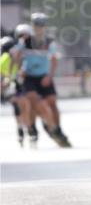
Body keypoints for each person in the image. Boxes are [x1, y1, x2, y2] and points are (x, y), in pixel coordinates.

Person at [13, 12, 71, 148]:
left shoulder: (49, 42)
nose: (39, 28)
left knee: (52, 102)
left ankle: (57, 129)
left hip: (44, 76)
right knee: (35, 102)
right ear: (32, 26)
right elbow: (17, 56)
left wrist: (49, 76)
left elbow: (54, 60)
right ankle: (40, 126)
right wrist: (20, 69)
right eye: (36, 25)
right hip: (29, 77)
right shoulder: (25, 41)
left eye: (42, 25)